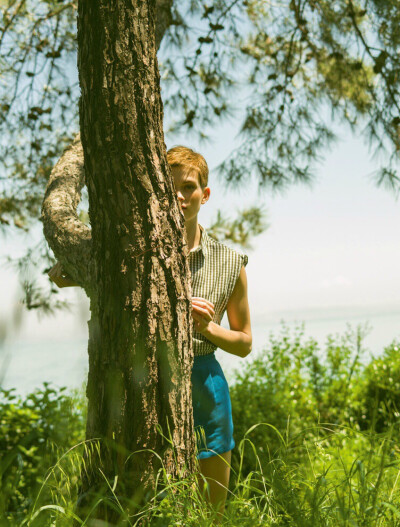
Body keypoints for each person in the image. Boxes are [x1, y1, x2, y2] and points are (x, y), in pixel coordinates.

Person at [48, 145, 252, 521]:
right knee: (142, 505)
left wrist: (208, 327)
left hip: (206, 385)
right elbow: (63, 275)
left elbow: (245, 343)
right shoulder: (133, 250)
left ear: (204, 195)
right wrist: (90, 264)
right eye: (168, 187)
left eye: (189, 187)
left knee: (213, 513)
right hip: (142, 384)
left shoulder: (229, 262)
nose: (179, 195)